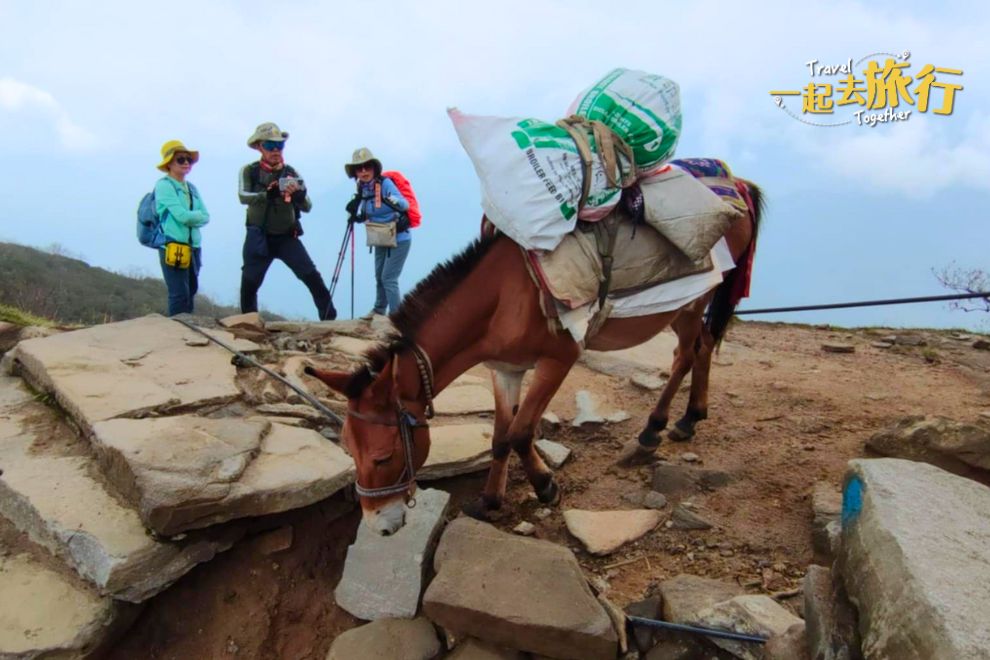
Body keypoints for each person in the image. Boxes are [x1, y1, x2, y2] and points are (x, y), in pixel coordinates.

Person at [238, 122, 335, 320]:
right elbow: (242, 196)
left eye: (279, 145)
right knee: (249, 282)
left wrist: (298, 196)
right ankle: (248, 323)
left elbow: (307, 206)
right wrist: (267, 194)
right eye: (270, 145)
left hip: (286, 237)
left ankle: (329, 319)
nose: (276, 150)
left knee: (310, 275)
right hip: (258, 236)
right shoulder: (249, 171)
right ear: (259, 147)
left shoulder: (292, 173)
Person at [344, 148, 410, 319]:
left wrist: (395, 201)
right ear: (355, 172)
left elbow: (405, 205)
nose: (364, 171)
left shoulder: (385, 184)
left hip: (399, 237)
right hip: (380, 235)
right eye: (359, 168)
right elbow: (369, 211)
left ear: (374, 168)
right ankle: (379, 310)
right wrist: (357, 216)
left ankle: (397, 318)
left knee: (389, 278)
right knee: (379, 276)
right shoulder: (362, 187)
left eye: (367, 167)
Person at [155, 139, 209, 316]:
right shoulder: (164, 185)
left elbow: (206, 216)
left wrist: (190, 217)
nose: (186, 163)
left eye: (188, 159)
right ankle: (176, 329)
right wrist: (194, 216)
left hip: (194, 247)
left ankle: (187, 325)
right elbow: (182, 216)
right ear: (169, 163)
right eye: (180, 159)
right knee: (179, 294)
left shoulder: (191, 188)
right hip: (173, 246)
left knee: (191, 291)